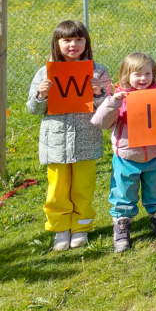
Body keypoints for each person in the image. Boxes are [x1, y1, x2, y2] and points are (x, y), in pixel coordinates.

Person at [26, 20, 113, 252]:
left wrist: (98, 93)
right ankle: (61, 229)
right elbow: (33, 109)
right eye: (67, 40)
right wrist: (41, 95)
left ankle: (81, 227)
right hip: (55, 142)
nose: (73, 45)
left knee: (83, 187)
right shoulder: (45, 72)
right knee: (57, 189)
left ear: (86, 42)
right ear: (57, 43)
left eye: (78, 39)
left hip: (87, 140)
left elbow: (110, 109)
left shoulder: (98, 72)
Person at [91, 53, 156, 252]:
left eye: (147, 73)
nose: (143, 78)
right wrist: (113, 102)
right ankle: (122, 224)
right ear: (126, 75)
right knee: (124, 192)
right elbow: (101, 122)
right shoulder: (119, 97)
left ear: (154, 74)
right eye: (137, 74)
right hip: (127, 157)